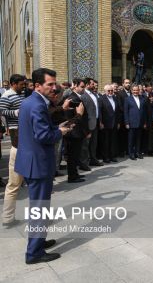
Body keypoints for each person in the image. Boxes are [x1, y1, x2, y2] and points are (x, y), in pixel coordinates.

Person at [15, 68, 72, 264]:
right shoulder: (38, 105)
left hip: (32, 162)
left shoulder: (31, 101)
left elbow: (37, 131)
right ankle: (34, 253)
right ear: (38, 85)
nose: (54, 88)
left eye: (54, 84)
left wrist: (56, 127)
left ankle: (38, 242)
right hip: (38, 165)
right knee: (40, 209)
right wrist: (61, 132)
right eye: (50, 84)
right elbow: (43, 136)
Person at [1, 74, 26, 226]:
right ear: (13, 84)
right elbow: (2, 111)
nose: (23, 86)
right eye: (21, 84)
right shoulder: (6, 96)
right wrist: (16, 113)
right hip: (16, 131)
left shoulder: (21, 94)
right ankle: (8, 217)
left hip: (25, 130)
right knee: (13, 182)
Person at [65, 79, 90, 182]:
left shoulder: (78, 97)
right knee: (72, 156)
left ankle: (75, 173)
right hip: (74, 133)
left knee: (75, 155)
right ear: (75, 86)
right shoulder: (73, 99)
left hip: (78, 132)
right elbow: (76, 118)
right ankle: (72, 176)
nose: (83, 88)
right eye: (82, 86)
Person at [80, 78, 103, 167]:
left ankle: (93, 159)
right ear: (87, 85)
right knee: (85, 145)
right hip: (88, 124)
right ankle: (84, 163)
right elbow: (83, 112)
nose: (94, 85)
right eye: (92, 84)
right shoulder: (83, 95)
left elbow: (98, 109)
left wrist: (100, 121)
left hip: (96, 122)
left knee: (94, 144)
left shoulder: (94, 94)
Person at [99, 84, 121, 163]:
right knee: (106, 141)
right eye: (109, 90)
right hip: (105, 123)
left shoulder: (115, 98)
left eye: (111, 90)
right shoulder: (101, 99)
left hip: (114, 123)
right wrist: (100, 122)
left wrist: (118, 122)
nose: (110, 92)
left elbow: (117, 111)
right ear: (105, 91)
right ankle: (106, 157)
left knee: (113, 141)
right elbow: (100, 111)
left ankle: (112, 156)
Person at [124, 85, 146, 160]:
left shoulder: (142, 99)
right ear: (131, 91)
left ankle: (137, 153)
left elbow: (144, 112)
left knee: (138, 139)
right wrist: (127, 123)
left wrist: (144, 122)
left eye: (136, 90)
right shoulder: (127, 99)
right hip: (131, 123)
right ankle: (131, 154)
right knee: (131, 140)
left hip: (140, 123)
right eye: (134, 90)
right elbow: (126, 112)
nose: (135, 92)